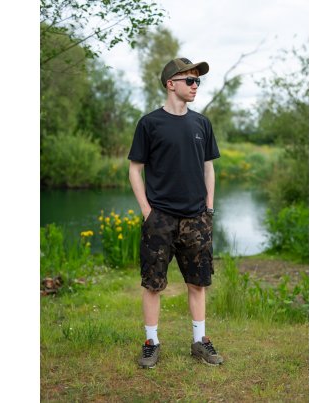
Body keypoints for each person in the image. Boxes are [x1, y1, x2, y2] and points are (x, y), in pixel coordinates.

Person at [128, 57, 223, 369]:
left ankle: (200, 341)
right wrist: (147, 212)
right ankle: (151, 343)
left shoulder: (201, 124)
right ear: (171, 84)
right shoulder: (149, 124)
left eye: (198, 81)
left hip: (196, 218)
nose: (196, 86)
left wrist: (208, 208)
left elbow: (208, 168)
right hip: (160, 219)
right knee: (152, 284)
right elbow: (135, 169)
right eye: (190, 80)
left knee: (198, 283)